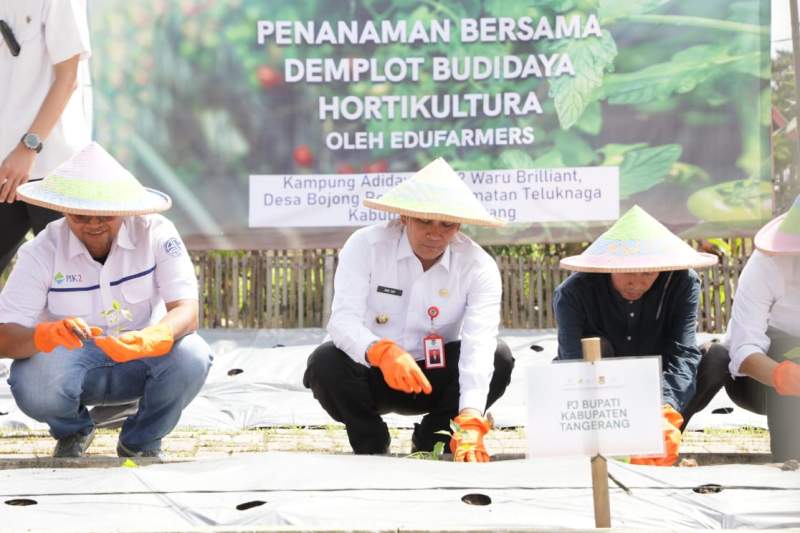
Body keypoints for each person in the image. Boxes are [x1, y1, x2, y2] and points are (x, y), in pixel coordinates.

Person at [0, 142, 212, 458]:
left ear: (125, 208)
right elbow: (4, 336)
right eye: (81, 217)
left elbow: (187, 311)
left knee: (193, 354)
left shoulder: (157, 231)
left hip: (140, 356)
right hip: (69, 365)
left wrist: (155, 336)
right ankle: (73, 431)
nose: (94, 225)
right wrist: (43, 336)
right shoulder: (40, 251)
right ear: (63, 209)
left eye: (106, 216)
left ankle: (141, 440)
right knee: (31, 380)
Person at [303, 158, 514, 462]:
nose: (435, 234)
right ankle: (370, 440)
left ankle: (433, 438)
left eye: (447, 224)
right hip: (373, 371)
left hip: (436, 375)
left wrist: (470, 418)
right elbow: (342, 321)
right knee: (324, 362)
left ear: (460, 225)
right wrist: (381, 352)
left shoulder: (479, 266)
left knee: (499, 356)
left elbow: (478, 343)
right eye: (425, 221)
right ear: (404, 216)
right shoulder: (365, 245)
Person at [554, 205, 718, 466]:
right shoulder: (574, 292)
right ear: (608, 267)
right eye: (628, 271)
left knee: (716, 357)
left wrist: (666, 408)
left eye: (648, 273)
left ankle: (664, 435)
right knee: (593, 349)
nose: (637, 283)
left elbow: (682, 351)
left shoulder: (683, 282)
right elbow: (571, 361)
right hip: (603, 396)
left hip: (658, 382)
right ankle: (603, 444)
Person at [680, 197, 800, 461]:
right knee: (787, 351)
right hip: (757, 385)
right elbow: (744, 351)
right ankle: (790, 461)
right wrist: (789, 377)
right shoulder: (767, 265)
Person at [0, 0, 93, 273]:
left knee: (70, 280)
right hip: (4, 170)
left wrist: (28, 147)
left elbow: (68, 78)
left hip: (55, 170)